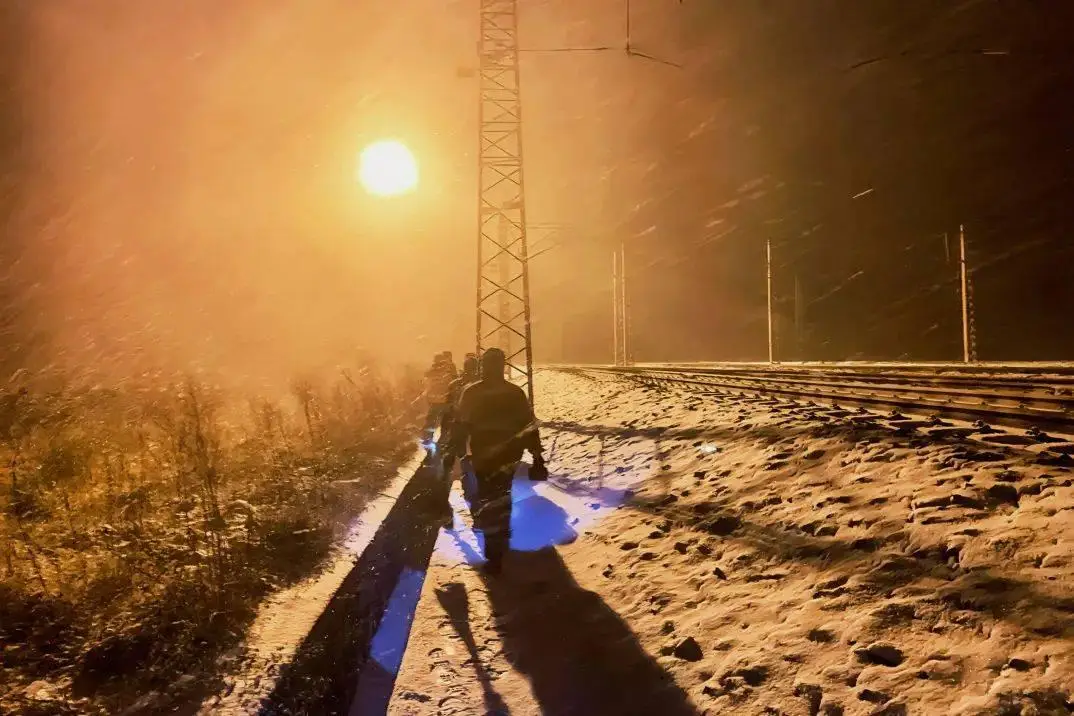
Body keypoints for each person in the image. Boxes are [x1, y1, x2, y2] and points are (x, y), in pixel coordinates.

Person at [451, 348, 546, 574]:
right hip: (510, 454)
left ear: (483, 366)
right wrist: (537, 455)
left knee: (487, 494)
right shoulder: (515, 393)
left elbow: (461, 423)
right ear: (503, 365)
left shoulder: (471, 392)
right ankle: (501, 537)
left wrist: (456, 450)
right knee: (503, 492)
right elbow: (528, 425)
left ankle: (494, 549)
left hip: (483, 453)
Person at [422, 352, 456, 443]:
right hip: (444, 403)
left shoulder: (430, 373)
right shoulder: (447, 373)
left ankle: (429, 439)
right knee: (444, 423)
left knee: (432, 422)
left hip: (435, 403)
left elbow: (426, 386)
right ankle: (441, 441)